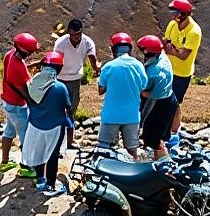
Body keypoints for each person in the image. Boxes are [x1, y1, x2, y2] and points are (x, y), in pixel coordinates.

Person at [23, 51, 75, 195]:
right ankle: (51, 185)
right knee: (52, 156)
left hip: (34, 125)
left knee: (38, 152)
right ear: (59, 68)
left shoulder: (33, 83)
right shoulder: (60, 87)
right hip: (54, 128)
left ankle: (40, 181)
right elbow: (68, 107)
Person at [96, 32, 147, 160]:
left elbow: (101, 90)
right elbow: (144, 87)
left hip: (111, 115)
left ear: (114, 49)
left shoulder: (108, 66)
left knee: (104, 150)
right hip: (132, 116)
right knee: (132, 151)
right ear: (129, 49)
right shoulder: (138, 66)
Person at [53, 19, 99, 150]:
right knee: (58, 109)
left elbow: (92, 58)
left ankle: (70, 140)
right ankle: (57, 140)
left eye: (79, 33)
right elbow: (56, 61)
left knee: (71, 110)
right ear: (69, 32)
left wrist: (96, 69)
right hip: (60, 78)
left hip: (75, 79)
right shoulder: (60, 43)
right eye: (74, 34)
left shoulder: (87, 41)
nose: (77, 36)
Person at [163, 0, 202, 144]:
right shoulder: (172, 25)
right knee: (164, 100)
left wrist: (173, 50)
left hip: (182, 73)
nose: (172, 16)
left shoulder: (194, 32)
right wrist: (174, 50)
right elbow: (166, 44)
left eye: (175, 12)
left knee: (175, 103)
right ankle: (165, 129)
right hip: (169, 68)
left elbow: (184, 56)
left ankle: (174, 133)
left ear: (183, 14)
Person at [0, 32, 39, 177]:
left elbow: (22, 64)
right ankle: (26, 167)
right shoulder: (18, 69)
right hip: (17, 106)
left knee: (9, 131)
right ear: (24, 51)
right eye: (30, 52)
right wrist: (35, 105)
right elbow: (26, 93)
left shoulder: (10, 54)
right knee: (25, 136)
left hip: (7, 101)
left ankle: (4, 162)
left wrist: (35, 64)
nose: (30, 55)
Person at [137, 35, 177, 159]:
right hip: (170, 99)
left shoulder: (152, 72)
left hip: (158, 106)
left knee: (154, 140)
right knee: (159, 136)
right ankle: (158, 160)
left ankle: (165, 167)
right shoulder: (163, 58)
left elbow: (145, 93)